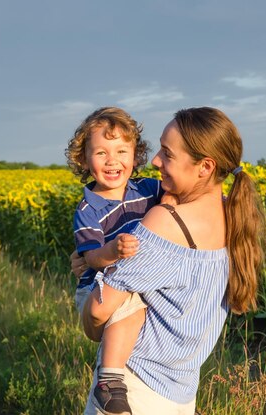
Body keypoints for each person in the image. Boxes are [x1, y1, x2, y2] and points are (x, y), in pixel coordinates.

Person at [79, 107, 266, 415]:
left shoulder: (166, 222)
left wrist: (91, 275)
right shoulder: (234, 216)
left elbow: (100, 312)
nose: (155, 161)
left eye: (167, 154)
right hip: (181, 397)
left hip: (130, 392)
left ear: (205, 167)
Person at [66, 107, 172, 415]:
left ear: (136, 156)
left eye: (121, 151)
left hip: (127, 284)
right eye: (101, 152)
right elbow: (91, 257)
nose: (112, 160)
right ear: (84, 160)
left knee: (135, 310)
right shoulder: (89, 208)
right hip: (98, 287)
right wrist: (112, 251)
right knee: (130, 310)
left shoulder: (148, 189)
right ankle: (109, 381)